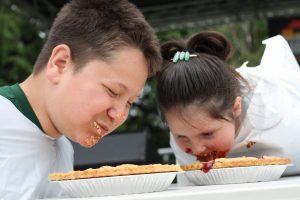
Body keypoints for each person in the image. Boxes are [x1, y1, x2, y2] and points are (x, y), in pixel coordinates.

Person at [0, 0, 162, 198]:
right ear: (60, 63)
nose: (119, 116)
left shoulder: (64, 146)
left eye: (130, 102)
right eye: (112, 91)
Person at [156, 31, 300, 185]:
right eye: (182, 137)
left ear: (236, 108)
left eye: (207, 134)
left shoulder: (282, 111)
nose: (197, 150)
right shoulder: (181, 127)